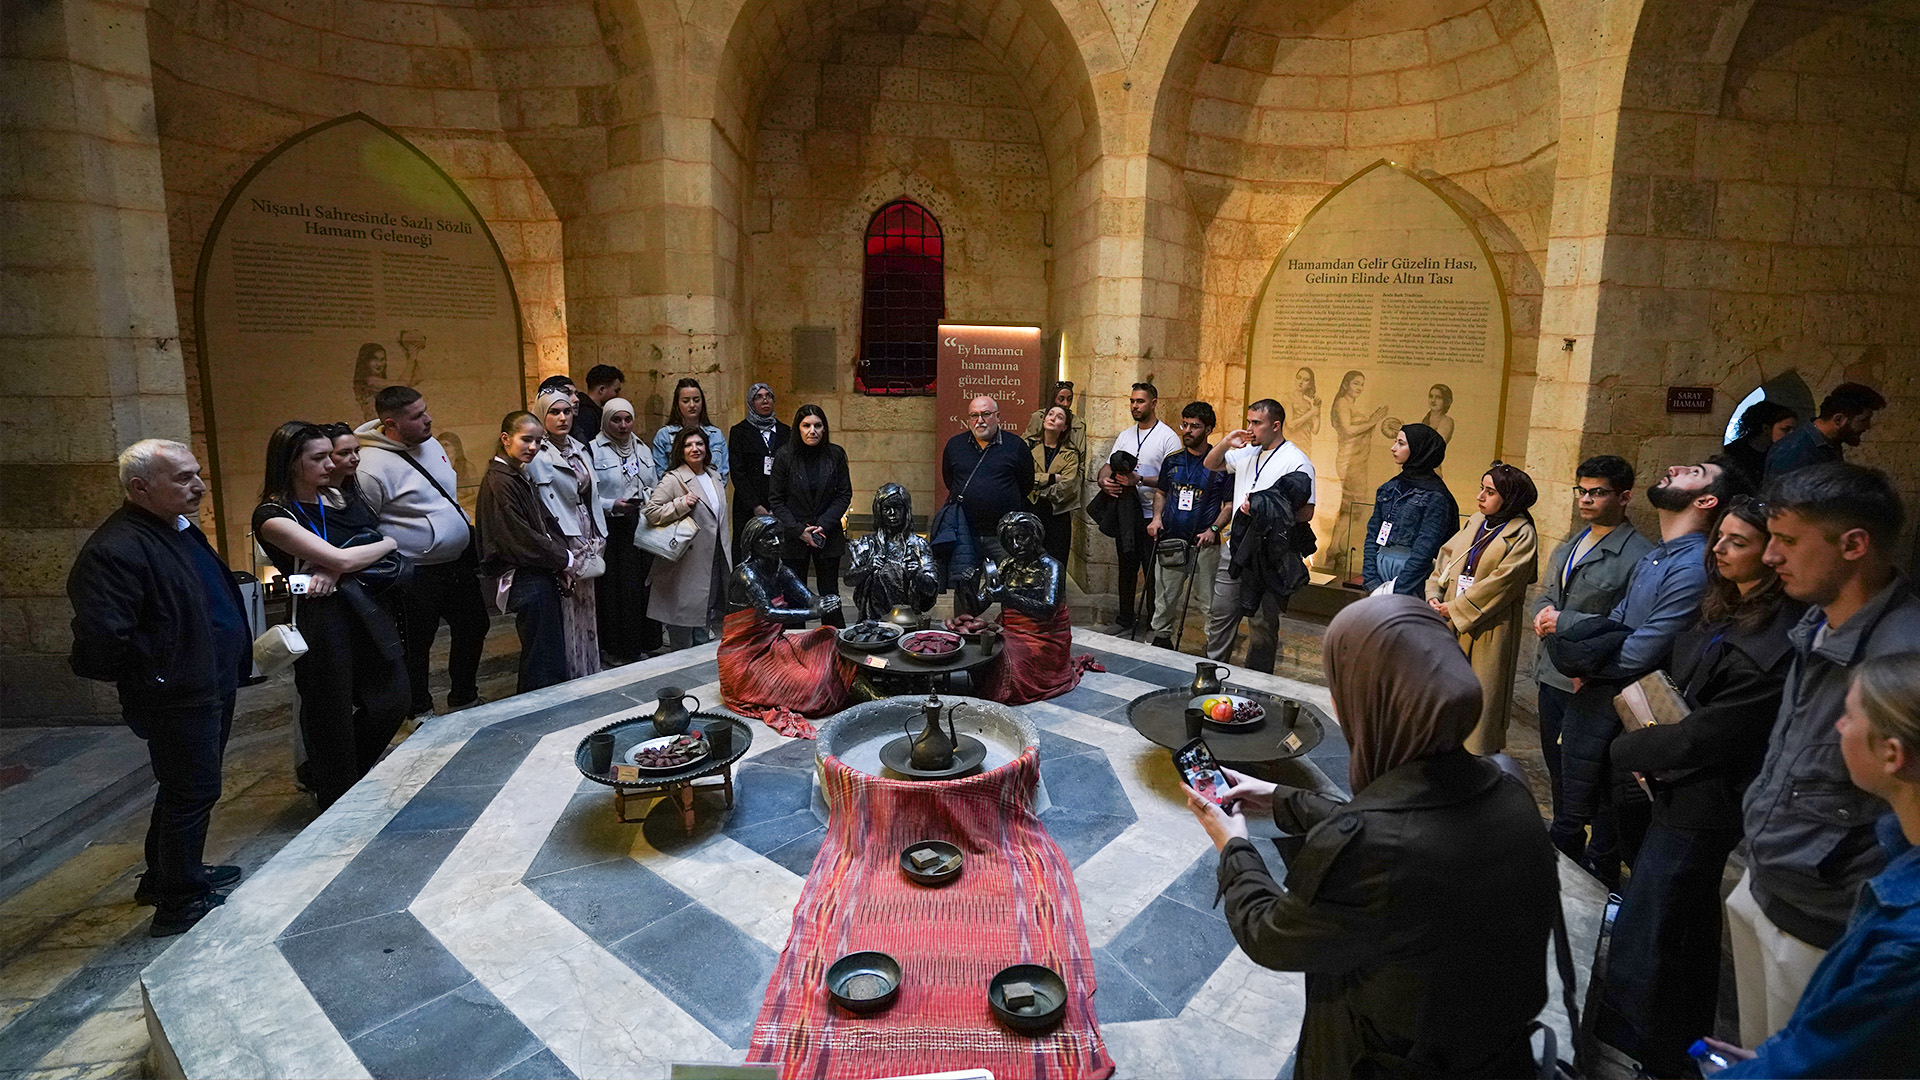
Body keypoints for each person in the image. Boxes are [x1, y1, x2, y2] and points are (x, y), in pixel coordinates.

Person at [1183, 595, 1557, 1078]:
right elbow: (1405, 821)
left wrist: (1232, 844)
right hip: (1493, 1056)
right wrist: (1279, 797)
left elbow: (1271, 935)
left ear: (1373, 702)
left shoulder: (1372, 848)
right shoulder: (1507, 784)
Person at [1596, 496, 1804, 1076]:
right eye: (1720, 537)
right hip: (1670, 779)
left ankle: (1639, 1047)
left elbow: (1713, 733)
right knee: (1678, 926)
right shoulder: (1722, 605)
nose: (1720, 549)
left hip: (1706, 797)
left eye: (1738, 541)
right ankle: (1669, 1042)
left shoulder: (1780, 634)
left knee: (1656, 924)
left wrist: (1629, 751)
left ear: (1772, 552)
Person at [1728, 463, 1920, 1046]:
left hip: (1826, 917)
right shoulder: (1817, 619)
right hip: (1769, 879)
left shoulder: (1902, 660)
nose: (1770, 556)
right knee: (1757, 1049)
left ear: (1854, 545)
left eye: (1788, 541)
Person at [68, 440, 252, 936]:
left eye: (197, 473)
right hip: (177, 692)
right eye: (183, 478)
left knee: (184, 787)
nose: (199, 486)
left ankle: (164, 875)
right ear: (140, 487)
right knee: (193, 791)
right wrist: (155, 675)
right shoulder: (116, 549)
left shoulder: (177, 529)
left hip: (207, 680)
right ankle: (180, 902)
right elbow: (102, 636)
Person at [1705, 653, 1920, 1078]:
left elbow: (1822, 1062)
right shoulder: (1900, 847)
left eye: (1849, 716)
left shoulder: (1906, 941)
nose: (1838, 726)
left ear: (1891, 753)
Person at [1549, 459, 1736, 885]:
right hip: (1610, 691)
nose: (1676, 467)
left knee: (1618, 817)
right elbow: (1616, 622)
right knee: (1597, 801)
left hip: (1638, 702)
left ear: (1706, 501)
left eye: (1694, 472)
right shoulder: (1658, 556)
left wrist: (1594, 665)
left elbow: (1643, 649)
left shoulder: (1692, 566)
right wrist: (1592, 656)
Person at [251, 422, 409, 811]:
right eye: (319, 458)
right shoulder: (273, 515)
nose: (331, 464)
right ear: (292, 463)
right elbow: (346, 555)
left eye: (330, 455)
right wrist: (383, 544)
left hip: (364, 608)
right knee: (330, 711)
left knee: (393, 700)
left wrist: (342, 563)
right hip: (322, 618)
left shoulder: (336, 495)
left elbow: (359, 547)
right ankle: (336, 795)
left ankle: (334, 775)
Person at [1530, 455, 1653, 847]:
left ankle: (1600, 854)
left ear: (1624, 496)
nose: (1585, 499)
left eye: (1597, 492)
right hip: (1553, 671)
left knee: (1593, 777)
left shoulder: (1638, 555)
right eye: (1581, 491)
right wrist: (1543, 614)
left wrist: (1562, 620)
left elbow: (1623, 626)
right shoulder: (1573, 542)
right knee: (1558, 767)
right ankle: (1566, 838)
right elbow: (1547, 592)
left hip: (1591, 680)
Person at [354, 387, 490, 717]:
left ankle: (464, 696)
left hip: (456, 561)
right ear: (391, 423)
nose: (428, 419)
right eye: (417, 416)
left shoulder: (431, 444)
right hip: (416, 570)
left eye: (425, 410)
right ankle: (418, 710)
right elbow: (367, 525)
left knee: (474, 625)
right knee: (417, 643)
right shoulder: (369, 467)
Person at [1424, 462, 1538, 755]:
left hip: (1490, 627)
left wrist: (1455, 608)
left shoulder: (1522, 534)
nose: (1480, 496)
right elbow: (1446, 558)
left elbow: (1504, 583)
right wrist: (1434, 593)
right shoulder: (1476, 520)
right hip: (1451, 619)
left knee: (1482, 694)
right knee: (1446, 691)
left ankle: (1474, 760)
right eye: (1481, 488)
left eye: (1490, 492)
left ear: (1510, 497)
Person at [1202, 399, 1315, 672]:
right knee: (1220, 613)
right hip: (1236, 545)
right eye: (1248, 422)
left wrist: (1264, 510)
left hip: (1269, 553)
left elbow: (1306, 512)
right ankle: (1211, 673)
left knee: (1262, 623)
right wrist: (1227, 441)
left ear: (1275, 426)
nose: (1249, 428)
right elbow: (1210, 463)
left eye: (1256, 423)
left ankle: (1257, 681)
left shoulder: (1297, 461)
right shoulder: (1247, 452)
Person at [718, 515, 854, 723]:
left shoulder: (780, 569)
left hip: (773, 644)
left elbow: (809, 599)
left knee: (830, 636)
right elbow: (769, 613)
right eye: (768, 538)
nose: (776, 543)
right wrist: (813, 613)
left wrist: (825, 601)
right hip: (745, 658)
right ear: (752, 542)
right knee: (812, 683)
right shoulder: (747, 574)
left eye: (779, 537)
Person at [477, 411, 573, 694]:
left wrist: (561, 558)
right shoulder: (500, 480)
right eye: (526, 440)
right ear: (506, 439)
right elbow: (518, 536)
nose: (533, 447)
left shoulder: (516, 473)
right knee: (541, 657)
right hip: (525, 574)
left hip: (538, 571)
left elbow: (545, 520)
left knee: (547, 649)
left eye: (539, 442)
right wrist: (564, 559)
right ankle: (542, 706)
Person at [969, 512, 1093, 706]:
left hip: (1044, 636)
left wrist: (1008, 597)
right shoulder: (1007, 565)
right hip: (1011, 630)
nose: (1016, 545)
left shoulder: (1051, 567)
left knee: (1009, 664)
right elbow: (978, 606)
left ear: (1035, 536)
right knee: (979, 650)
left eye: (1021, 537)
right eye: (1009, 540)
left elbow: (1048, 610)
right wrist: (969, 587)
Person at [527, 386, 606, 679]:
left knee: (587, 604)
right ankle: (569, 672)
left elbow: (591, 494)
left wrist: (598, 532)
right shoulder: (536, 453)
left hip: (587, 529)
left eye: (567, 412)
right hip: (562, 534)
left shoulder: (579, 447)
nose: (563, 418)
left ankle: (589, 666)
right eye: (554, 412)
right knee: (566, 603)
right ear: (541, 416)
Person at [935, 395, 1035, 615]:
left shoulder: (1016, 446)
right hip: (966, 533)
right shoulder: (955, 446)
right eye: (974, 415)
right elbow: (950, 480)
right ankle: (963, 627)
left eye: (986, 414)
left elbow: (1026, 483)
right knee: (965, 587)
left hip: (1004, 536)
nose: (980, 420)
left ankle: (1012, 628)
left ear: (997, 416)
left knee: (1013, 585)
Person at [1095, 382, 1180, 633]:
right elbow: (1108, 465)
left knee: (1153, 573)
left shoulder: (1168, 437)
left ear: (1153, 403)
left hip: (1153, 515)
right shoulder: (1125, 436)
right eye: (1132, 401)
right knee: (1126, 568)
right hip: (1127, 513)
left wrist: (1139, 479)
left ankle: (1155, 623)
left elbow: (1173, 479)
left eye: (1140, 401)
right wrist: (1103, 481)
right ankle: (1125, 618)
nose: (1134, 406)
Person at [1147, 401, 1230, 650]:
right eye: (1185, 424)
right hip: (1172, 539)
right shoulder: (1172, 461)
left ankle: (1213, 646)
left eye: (1195, 426)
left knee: (1209, 601)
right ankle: (1162, 638)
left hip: (1204, 544)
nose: (1187, 431)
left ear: (1208, 429)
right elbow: (1161, 492)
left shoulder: (1221, 464)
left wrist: (1213, 529)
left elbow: (1228, 505)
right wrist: (1157, 518)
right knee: (1165, 596)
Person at [588, 396, 662, 664]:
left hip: (640, 524)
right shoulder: (592, 450)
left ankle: (646, 642)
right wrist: (612, 505)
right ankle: (619, 648)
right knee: (619, 591)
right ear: (606, 421)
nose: (622, 425)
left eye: (627, 419)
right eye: (616, 420)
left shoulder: (642, 448)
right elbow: (588, 495)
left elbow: (653, 483)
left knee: (642, 586)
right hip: (612, 528)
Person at [768, 404, 852, 629]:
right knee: (794, 594)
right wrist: (798, 530)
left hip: (827, 533)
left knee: (830, 593)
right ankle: (795, 644)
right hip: (794, 536)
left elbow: (844, 494)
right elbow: (776, 500)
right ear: (798, 428)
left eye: (818, 425)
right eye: (806, 425)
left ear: (824, 429)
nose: (812, 431)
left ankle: (833, 640)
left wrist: (823, 525)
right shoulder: (784, 456)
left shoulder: (835, 455)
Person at [645, 427, 730, 649]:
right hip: (685, 563)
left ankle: (700, 664)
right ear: (680, 450)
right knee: (682, 625)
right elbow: (651, 512)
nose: (695, 449)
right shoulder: (673, 479)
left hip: (712, 558)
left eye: (699, 444)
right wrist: (681, 504)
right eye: (688, 445)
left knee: (705, 619)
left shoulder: (714, 476)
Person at [1361, 423, 1458, 597]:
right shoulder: (1388, 488)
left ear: (1419, 449)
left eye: (1401, 443)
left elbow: (1425, 550)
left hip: (1412, 576)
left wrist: (1397, 589)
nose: (1393, 448)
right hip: (1380, 567)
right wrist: (1371, 581)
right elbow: (1372, 535)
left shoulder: (1436, 496)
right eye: (1395, 442)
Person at [845, 483, 938, 623]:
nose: (892, 513)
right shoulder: (866, 544)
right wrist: (868, 568)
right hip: (874, 622)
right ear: (879, 511)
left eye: (897, 507)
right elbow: (848, 579)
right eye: (886, 508)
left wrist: (917, 575)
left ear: (906, 509)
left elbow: (931, 589)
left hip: (909, 621)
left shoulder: (919, 545)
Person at [1327, 369, 1390, 574]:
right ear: (1346, 384)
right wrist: (1372, 421)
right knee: (1351, 507)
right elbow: (1348, 430)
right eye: (1356, 383)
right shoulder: (1342, 403)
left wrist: (1373, 420)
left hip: (1358, 461)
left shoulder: (1351, 405)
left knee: (1351, 508)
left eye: (1362, 384)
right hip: (1350, 461)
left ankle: (1336, 547)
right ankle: (1334, 548)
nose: (1360, 388)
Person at [1763, 382, 1885, 479]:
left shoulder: (1830, 444)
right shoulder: (1794, 452)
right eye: (1864, 420)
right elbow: (1782, 500)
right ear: (1839, 419)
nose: (1868, 426)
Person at [728, 383, 791, 556]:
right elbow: (737, 471)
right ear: (751, 402)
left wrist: (778, 505)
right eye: (759, 397)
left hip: (778, 502)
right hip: (748, 504)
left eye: (768, 396)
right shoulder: (739, 432)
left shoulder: (786, 431)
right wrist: (756, 505)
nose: (765, 400)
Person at [1026, 403, 1082, 565]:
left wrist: (1038, 490)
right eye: (1050, 414)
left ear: (1064, 427)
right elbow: (1025, 477)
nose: (1053, 418)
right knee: (1031, 562)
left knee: (1056, 563)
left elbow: (1067, 487)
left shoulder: (1071, 454)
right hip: (1032, 510)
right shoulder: (1029, 446)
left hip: (1058, 514)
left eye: (1059, 417)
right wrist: (1051, 478)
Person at [652, 377, 729, 483]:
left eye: (696, 400)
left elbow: (723, 474)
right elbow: (661, 475)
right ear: (677, 404)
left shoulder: (716, 435)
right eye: (686, 401)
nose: (692, 405)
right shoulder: (664, 435)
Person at [1722, 399, 1797, 488]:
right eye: (1785, 429)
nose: (1792, 434)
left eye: (1794, 430)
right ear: (1766, 429)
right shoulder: (1733, 453)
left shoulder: (1784, 454)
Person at [1022, 380, 1089, 460]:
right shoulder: (1039, 417)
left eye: (1069, 399)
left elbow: (1081, 455)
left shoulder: (1078, 424)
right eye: (1061, 399)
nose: (1066, 404)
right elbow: (1025, 445)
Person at [573, 364, 624, 454]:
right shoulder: (586, 415)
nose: (618, 396)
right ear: (602, 389)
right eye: (616, 391)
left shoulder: (591, 411)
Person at [1285, 366, 1320, 449]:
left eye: (1305, 380)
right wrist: (1311, 413)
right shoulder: (1288, 398)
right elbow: (1290, 425)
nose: (1301, 382)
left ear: (1310, 384)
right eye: (1299, 378)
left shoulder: (1308, 403)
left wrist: (1318, 409)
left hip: (1306, 444)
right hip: (1292, 444)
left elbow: (1315, 430)